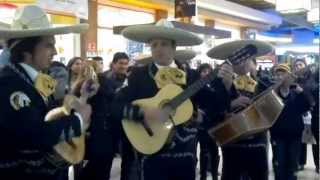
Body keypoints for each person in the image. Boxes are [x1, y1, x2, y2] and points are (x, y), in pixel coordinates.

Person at [114, 19, 234, 180]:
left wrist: (225, 86)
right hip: (151, 151)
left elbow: (216, 106)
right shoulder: (138, 75)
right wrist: (143, 112)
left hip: (185, 153)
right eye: (154, 45)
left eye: (163, 44)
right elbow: (115, 106)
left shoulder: (191, 76)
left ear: (174, 47)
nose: (158, 49)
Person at [0, 5, 95, 180]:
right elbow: (34, 133)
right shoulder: (9, 84)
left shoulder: (28, 79)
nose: (55, 52)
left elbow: (46, 114)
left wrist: (79, 96)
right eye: (48, 45)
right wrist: (79, 119)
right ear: (27, 50)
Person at [207, 40, 274, 180]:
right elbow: (210, 112)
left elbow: (272, 112)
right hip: (232, 145)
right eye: (239, 59)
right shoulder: (217, 84)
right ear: (232, 60)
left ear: (252, 61)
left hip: (258, 144)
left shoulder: (263, 83)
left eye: (247, 59)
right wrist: (229, 104)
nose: (243, 63)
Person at [270, 64, 312, 180]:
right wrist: (274, 89)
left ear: (290, 77)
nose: (280, 77)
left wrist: (302, 92)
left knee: (292, 167)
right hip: (278, 136)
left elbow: (308, 105)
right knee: (279, 165)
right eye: (277, 74)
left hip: (295, 136)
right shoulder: (273, 95)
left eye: (283, 74)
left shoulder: (296, 93)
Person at [196, 63, 220, 180]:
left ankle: (215, 175)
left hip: (214, 123)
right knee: (204, 151)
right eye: (203, 71)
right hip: (202, 124)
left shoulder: (215, 86)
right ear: (199, 73)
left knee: (215, 150)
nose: (206, 73)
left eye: (208, 71)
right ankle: (203, 175)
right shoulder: (196, 88)